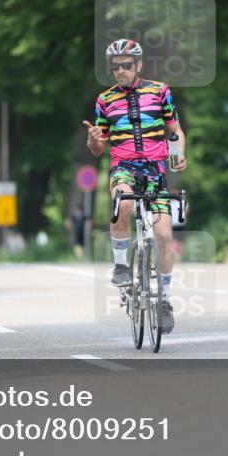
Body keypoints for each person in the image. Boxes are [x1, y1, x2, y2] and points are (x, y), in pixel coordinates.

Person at [83, 38, 186, 334]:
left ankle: (164, 302)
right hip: (123, 169)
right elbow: (98, 148)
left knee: (165, 235)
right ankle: (120, 265)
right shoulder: (105, 100)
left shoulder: (159, 91)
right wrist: (93, 140)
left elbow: (175, 130)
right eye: (115, 67)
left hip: (155, 171)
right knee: (123, 202)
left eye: (126, 66)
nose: (120, 71)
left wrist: (179, 154)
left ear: (139, 65)